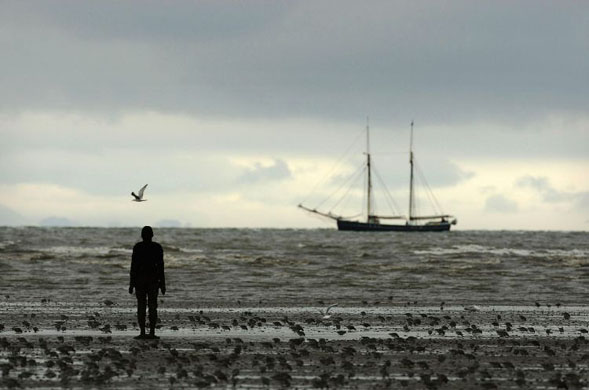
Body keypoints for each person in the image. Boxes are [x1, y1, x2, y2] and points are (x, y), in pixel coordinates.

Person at [129, 226, 166, 339]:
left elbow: (133, 266)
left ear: (142, 235)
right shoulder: (157, 247)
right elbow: (161, 266)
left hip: (140, 280)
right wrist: (163, 283)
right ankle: (152, 333)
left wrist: (131, 283)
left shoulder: (138, 247)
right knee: (152, 306)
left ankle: (142, 332)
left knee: (141, 306)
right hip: (153, 279)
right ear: (152, 235)